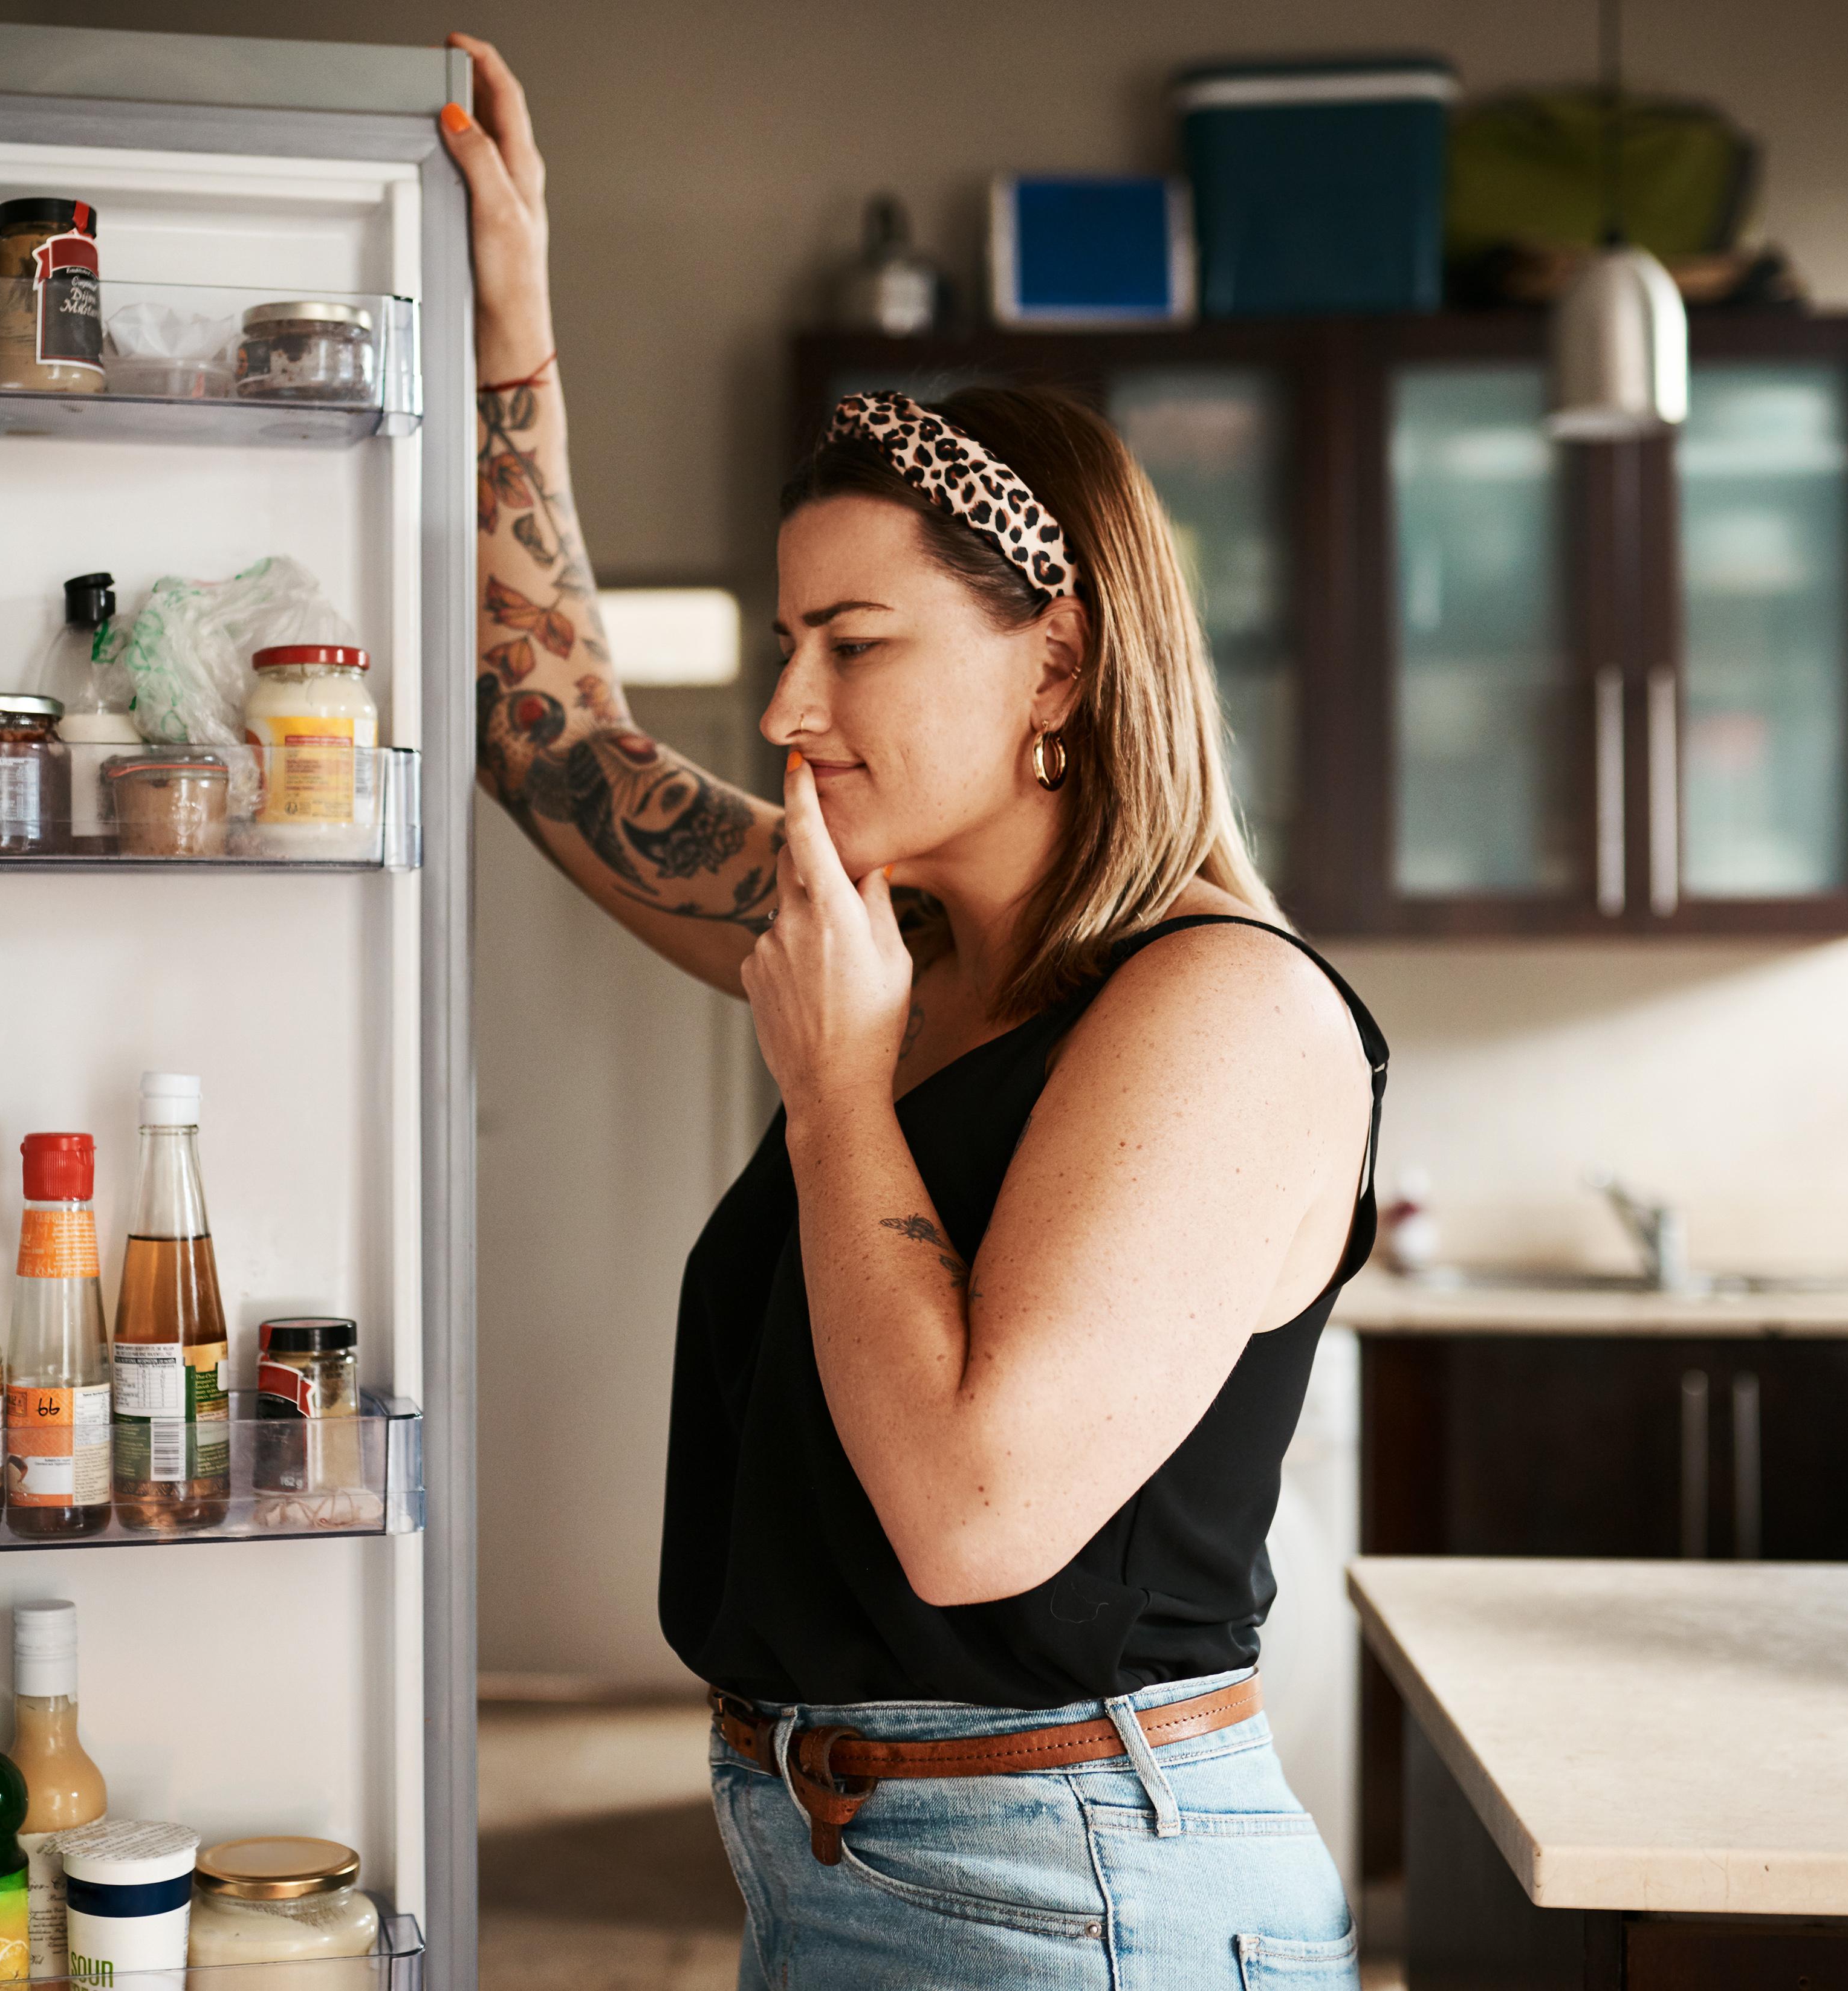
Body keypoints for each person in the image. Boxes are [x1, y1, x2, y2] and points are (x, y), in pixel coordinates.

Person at [442, 34, 1387, 1987]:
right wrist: (511, 335)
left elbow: (971, 1519)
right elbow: (552, 742)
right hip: (843, 1859)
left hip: (1069, 1886)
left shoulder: (1225, 1010)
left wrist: (838, 1091)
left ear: (1058, 665)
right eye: (791, 641)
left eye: (852, 644)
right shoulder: (898, 947)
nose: (788, 709)